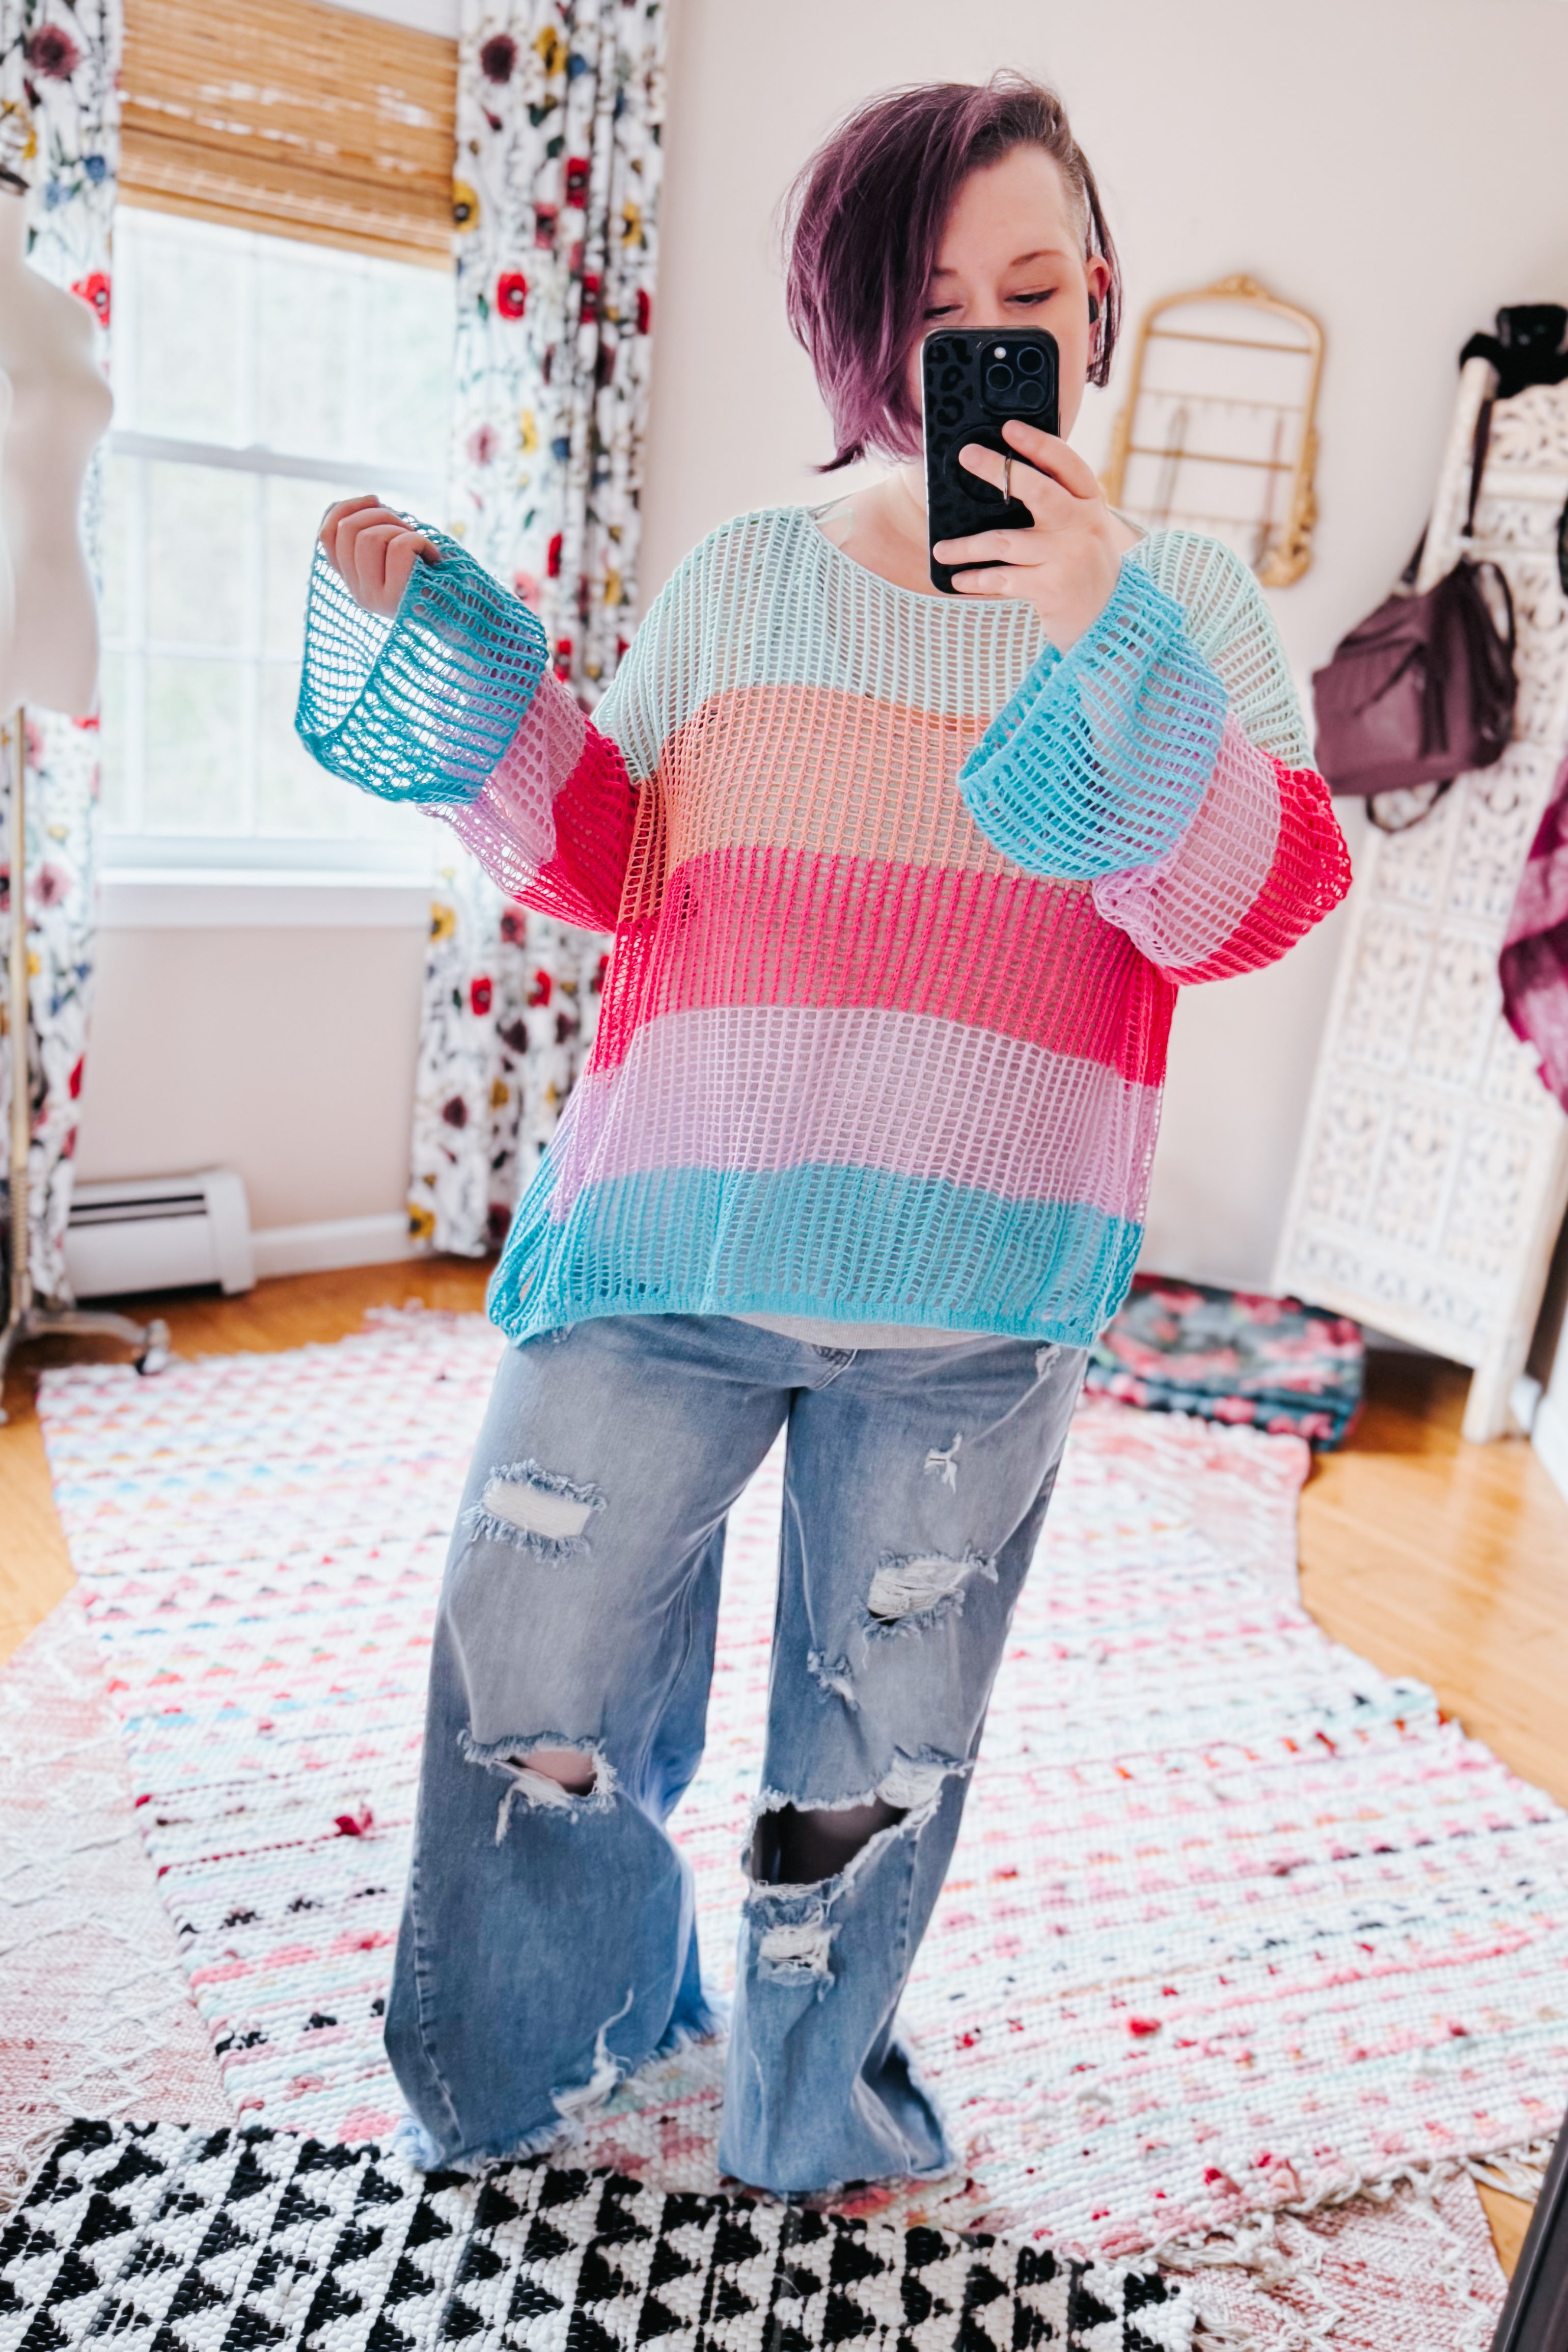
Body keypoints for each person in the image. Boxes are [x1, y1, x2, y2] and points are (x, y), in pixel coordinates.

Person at [298, 73, 1351, 2193]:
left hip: (971, 1310)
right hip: (662, 1255)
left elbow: (1237, 903)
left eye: (1034, 287)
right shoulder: (747, 576)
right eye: (938, 294)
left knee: (871, 1766)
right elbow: (614, 856)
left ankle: (813, 2110)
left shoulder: (1189, 615)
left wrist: (1090, 626)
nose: (996, 332)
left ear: (1099, 302)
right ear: (860, 323)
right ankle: (548, 2044)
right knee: (529, 1676)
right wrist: (465, 662)